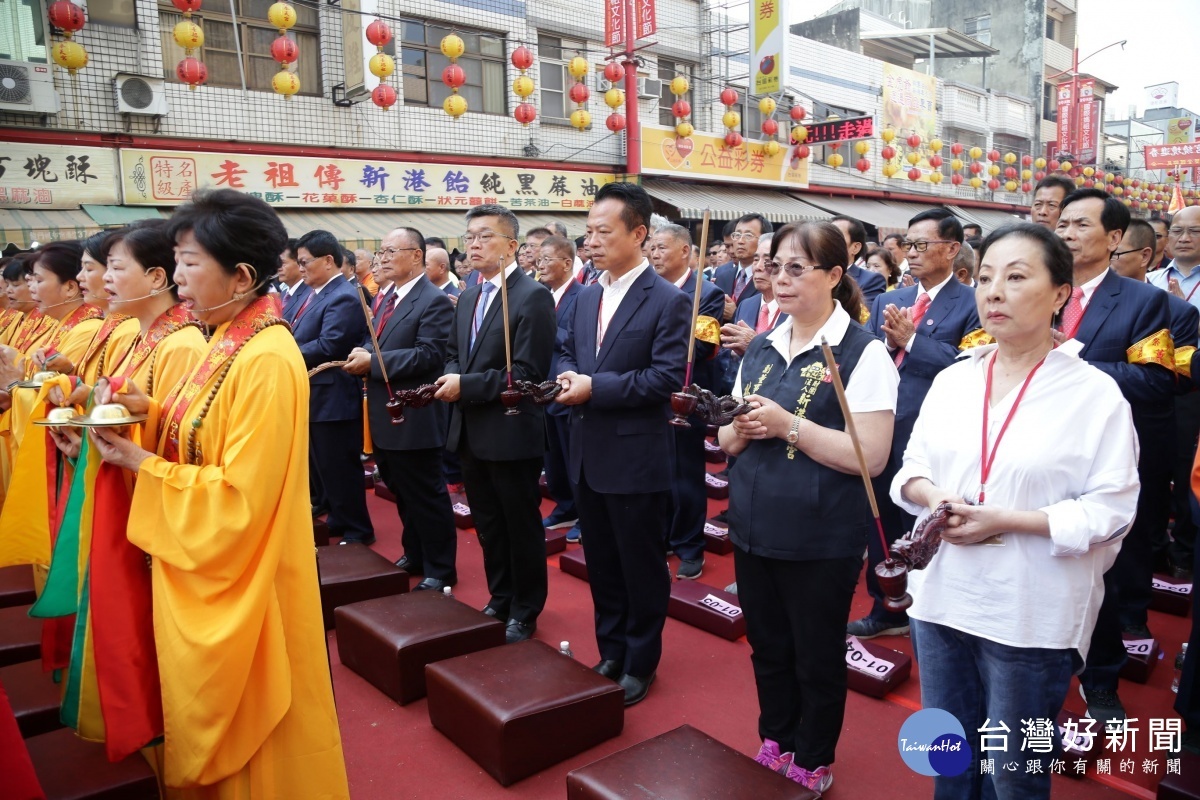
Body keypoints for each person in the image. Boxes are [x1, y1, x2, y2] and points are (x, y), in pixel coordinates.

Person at [83, 188, 349, 797]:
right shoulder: (224, 340)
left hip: (249, 576)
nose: (175, 277)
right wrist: (142, 409)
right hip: (205, 569)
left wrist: (143, 462)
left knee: (259, 742)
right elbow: (201, 426)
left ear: (242, 276)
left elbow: (240, 498)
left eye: (189, 262)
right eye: (175, 261)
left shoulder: (267, 356)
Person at [894, 223, 1139, 800]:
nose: (993, 292)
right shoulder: (955, 378)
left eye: (1016, 277)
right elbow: (910, 468)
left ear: (1060, 294)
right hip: (942, 595)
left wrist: (1007, 520)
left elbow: (1112, 509)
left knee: (1014, 773)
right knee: (949, 757)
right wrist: (936, 500)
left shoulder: (1095, 394)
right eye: (984, 278)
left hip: (1029, 609)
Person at [719, 221, 897, 794]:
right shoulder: (764, 345)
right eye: (774, 267)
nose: (780, 279)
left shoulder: (863, 353)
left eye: (797, 268)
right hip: (752, 525)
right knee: (767, 647)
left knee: (815, 656)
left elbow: (870, 456)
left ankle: (814, 756)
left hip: (821, 537)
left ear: (835, 275)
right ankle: (775, 736)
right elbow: (726, 440)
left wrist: (787, 425)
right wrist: (746, 427)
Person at [556, 183, 689, 706]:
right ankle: (610, 649)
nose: (591, 241)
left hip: (635, 457)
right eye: (587, 231)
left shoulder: (668, 301)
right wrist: (567, 376)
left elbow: (662, 380)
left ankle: (640, 660)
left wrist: (596, 387)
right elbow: (566, 350)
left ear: (639, 233)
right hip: (586, 450)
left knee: (640, 565)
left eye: (602, 231)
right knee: (602, 562)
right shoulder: (587, 293)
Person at [1055, 188, 1176, 725]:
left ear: (1115, 238)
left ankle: (1101, 676)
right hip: (1032, 454)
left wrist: (1070, 367)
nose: (1066, 233)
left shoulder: (1143, 301)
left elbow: (1155, 380)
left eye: (1080, 225)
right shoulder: (1038, 289)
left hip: (1102, 457)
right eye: (1061, 224)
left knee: (1101, 570)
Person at [851, 208, 984, 641]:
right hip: (885, 424)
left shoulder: (973, 303)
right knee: (881, 521)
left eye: (922, 244)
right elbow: (871, 356)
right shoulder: (894, 299)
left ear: (951, 248)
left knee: (929, 525)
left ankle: (933, 609)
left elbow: (972, 368)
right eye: (908, 245)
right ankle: (886, 604)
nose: (912, 253)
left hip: (937, 431)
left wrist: (911, 341)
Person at [435, 204, 554, 644]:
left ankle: (526, 607)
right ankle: (500, 596)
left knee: (518, 523)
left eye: (485, 236)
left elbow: (527, 372)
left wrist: (464, 384)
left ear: (511, 246)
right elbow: (452, 351)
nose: (475, 245)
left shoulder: (531, 295)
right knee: (486, 522)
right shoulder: (469, 294)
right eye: (470, 238)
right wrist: (453, 376)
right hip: (469, 429)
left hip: (510, 428)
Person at [344, 227, 457, 591]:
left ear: (417, 256)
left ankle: (441, 567)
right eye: (383, 251)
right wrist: (363, 353)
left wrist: (372, 362)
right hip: (385, 412)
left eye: (393, 251)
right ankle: (415, 552)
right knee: (401, 490)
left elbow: (429, 355)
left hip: (416, 414)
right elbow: (377, 340)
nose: (385, 258)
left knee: (426, 493)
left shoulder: (433, 299)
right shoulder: (385, 296)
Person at [1112, 218, 1200, 580]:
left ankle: (1175, 552)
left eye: (1193, 230)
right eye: (1177, 230)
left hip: (1175, 398)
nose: (1182, 237)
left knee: (1172, 480)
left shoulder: (1170, 305)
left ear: (1145, 254)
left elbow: (1166, 372)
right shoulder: (1158, 280)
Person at [649, 223, 724, 580]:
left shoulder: (707, 293)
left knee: (687, 476)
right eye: (652, 247)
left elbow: (703, 345)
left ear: (685, 251)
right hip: (648, 394)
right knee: (656, 473)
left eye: (662, 247)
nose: (655, 254)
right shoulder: (647, 289)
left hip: (687, 397)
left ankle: (691, 546)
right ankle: (663, 534)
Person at [292, 229, 375, 545]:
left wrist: (282, 352)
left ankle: (358, 529)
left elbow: (330, 344)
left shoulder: (343, 294)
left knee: (340, 465)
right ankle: (340, 518)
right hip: (316, 393)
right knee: (324, 465)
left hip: (334, 395)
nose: (301, 269)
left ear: (328, 260)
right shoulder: (315, 293)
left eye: (305, 262)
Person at [536, 235, 582, 538]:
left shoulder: (583, 295)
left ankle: (584, 514)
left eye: (546, 259)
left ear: (566, 263)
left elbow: (577, 340)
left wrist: (544, 327)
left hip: (567, 389)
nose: (539, 266)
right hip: (542, 391)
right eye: (538, 259)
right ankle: (565, 506)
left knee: (574, 457)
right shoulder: (543, 295)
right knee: (553, 459)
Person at [715, 214, 772, 321]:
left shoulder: (770, 278)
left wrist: (735, 314)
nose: (740, 241)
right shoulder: (722, 276)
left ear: (764, 240)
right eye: (737, 235)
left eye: (748, 235)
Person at [831, 215, 887, 306]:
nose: (829, 241)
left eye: (836, 237)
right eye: (827, 235)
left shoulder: (871, 281)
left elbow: (864, 317)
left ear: (855, 247)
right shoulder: (813, 273)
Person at [279, 238, 311, 321]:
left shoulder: (310, 295)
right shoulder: (283, 293)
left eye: (282, 263)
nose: (278, 268)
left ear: (299, 262)